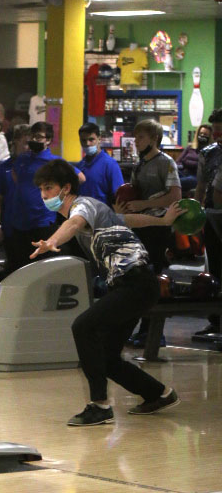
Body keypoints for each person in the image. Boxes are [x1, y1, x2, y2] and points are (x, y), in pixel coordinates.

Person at [30, 159, 183, 427]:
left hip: (135, 283)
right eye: (41, 189)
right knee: (108, 357)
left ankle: (99, 406)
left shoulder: (83, 206)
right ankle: (158, 394)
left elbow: (74, 224)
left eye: (48, 188)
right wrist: (163, 221)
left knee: (83, 327)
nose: (44, 195)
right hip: (133, 286)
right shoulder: (99, 211)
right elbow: (129, 219)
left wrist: (52, 241)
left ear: (66, 188)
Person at [124, 119, 181, 347]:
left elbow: (175, 195)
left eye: (141, 138)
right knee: (139, 277)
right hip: (140, 226)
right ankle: (140, 329)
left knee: (155, 277)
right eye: (136, 137)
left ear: (154, 139)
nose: (136, 142)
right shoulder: (139, 165)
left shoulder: (166, 163)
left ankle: (153, 332)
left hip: (159, 226)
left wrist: (144, 204)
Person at [10, 121, 83, 270]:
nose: (34, 140)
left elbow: (80, 178)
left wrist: (58, 198)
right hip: (19, 222)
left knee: (40, 267)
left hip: (41, 222)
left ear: (48, 140)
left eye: (38, 137)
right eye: (32, 136)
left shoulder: (53, 162)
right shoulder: (23, 159)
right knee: (18, 267)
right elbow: (15, 176)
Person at [194, 108, 222, 336]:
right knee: (214, 266)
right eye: (216, 129)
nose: (216, 134)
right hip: (212, 214)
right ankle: (216, 319)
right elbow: (201, 184)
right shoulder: (208, 152)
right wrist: (196, 209)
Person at [0, 124, 31, 274]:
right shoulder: (4, 168)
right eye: (25, 143)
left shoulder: (36, 167)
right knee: (14, 266)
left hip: (31, 227)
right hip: (10, 226)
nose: (28, 147)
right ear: (15, 141)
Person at [77, 122, 124, 206]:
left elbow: (119, 197)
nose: (87, 144)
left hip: (103, 216)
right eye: (83, 140)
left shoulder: (110, 164)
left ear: (99, 139)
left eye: (91, 139)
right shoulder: (81, 165)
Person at [177, 124, 212, 195]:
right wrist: (181, 166)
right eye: (201, 133)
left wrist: (187, 162)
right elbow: (178, 161)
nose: (202, 136)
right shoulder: (190, 147)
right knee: (170, 176)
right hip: (183, 172)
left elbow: (202, 166)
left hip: (195, 176)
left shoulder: (210, 151)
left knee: (177, 182)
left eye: (205, 134)